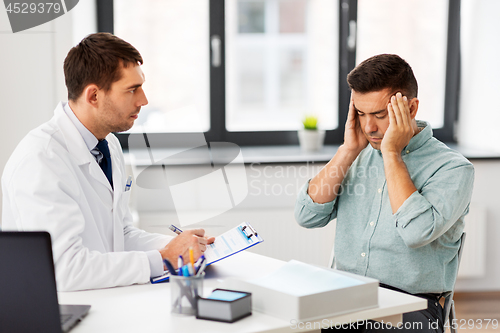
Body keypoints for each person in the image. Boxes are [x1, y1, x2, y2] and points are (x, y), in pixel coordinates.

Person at [1, 33, 214, 292]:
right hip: (57, 313)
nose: (143, 100)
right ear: (93, 96)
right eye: (132, 89)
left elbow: (121, 235)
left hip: (104, 299)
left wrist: (183, 246)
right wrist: (163, 258)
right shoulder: (41, 159)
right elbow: (65, 269)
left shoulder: (107, 143)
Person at [295, 54, 474, 332]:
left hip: (412, 307)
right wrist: (347, 151)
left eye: (379, 115)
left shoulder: (453, 169)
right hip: (346, 297)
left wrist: (392, 153)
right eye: (361, 114)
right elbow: (306, 216)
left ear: (411, 109)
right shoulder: (358, 153)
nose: (369, 128)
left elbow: (416, 232)